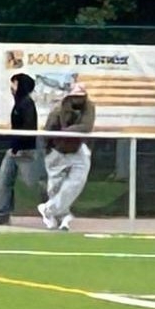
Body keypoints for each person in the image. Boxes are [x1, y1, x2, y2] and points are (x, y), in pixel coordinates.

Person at [0, 73, 45, 225]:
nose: (11, 87)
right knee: (4, 181)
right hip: (14, 150)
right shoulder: (18, 103)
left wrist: (19, 146)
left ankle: (55, 209)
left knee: (34, 183)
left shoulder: (27, 104)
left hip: (26, 151)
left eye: (14, 83)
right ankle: (2, 213)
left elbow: (28, 128)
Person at [38, 82, 95, 231]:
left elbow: (86, 127)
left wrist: (66, 132)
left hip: (77, 149)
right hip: (57, 150)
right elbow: (48, 132)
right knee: (55, 188)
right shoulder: (58, 110)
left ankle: (48, 209)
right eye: (75, 96)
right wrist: (49, 151)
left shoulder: (89, 106)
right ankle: (60, 217)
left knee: (76, 182)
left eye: (81, 96)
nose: (79, 100)